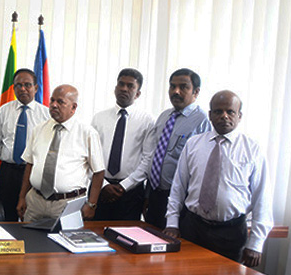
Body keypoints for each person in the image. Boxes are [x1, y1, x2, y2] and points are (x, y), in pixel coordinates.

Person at [164, 91, 273, 267]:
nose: (224, 116)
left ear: (239, 116)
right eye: (218, 111)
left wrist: (256, 243)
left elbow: (262, 198)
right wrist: (172, 223)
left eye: (230, 112)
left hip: (230, 233)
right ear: (210, 115)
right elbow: (178, 186)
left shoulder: (252, 149)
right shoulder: (193, 144)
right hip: (192, 228)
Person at [16, 85, 105, 222]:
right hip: (35, 201)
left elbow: (98, 172)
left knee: (63, 242)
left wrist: (91, 205)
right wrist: (22, 197)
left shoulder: (87, 133)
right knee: (29, 239)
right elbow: (30, 164)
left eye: (60, 102)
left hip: (67, 203)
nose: (54, 105)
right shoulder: (39, 129)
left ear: (73, 107)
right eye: (52, 101)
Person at [145, 68, 211, 229]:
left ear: (196, 92)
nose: (176, 91)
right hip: (155, 194)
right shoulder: (164, 117)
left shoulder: (203, 121)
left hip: (181, 200)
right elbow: (154, 156)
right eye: (172, 86)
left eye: (183, 87)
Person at [91, 68, 155, 220]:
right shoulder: (98, 118)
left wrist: (124, 186)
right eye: (121, 84)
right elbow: (90, 156)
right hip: (100, 188)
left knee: (126, 238)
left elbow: (148, 159)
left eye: (130, 86)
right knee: (95, 235)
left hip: (131, 193)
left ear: (138, 93)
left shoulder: (147, 121)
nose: (124, 89)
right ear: (115, 88)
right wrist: (104, 185)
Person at [0, 69, 49, 221]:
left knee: (31, 216)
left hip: (32, 173)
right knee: (7, 216)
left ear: (36, 88)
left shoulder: (46, 115)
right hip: (8, 172)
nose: (23, 89)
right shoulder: (4, 111)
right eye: (18, 85)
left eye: (27, 85)